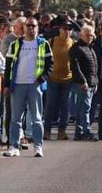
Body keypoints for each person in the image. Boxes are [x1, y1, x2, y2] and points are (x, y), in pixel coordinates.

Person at [4, 16, 52, 157]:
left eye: (34, 26)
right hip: (17, 85)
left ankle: (38, 146)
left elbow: (50, 65)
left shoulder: (43, 44)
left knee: (37, 118)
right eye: (28, 26)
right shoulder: (15, 44)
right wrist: (6, 85)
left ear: (37, 28)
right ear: (23, 28)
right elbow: (8, 67)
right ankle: (14, 146)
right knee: (15, 119)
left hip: (34, 86)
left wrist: (41, 78)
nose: (31, 28)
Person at [46, 18, 75, 140]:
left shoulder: (73, 43)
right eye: (65, 28)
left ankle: (62, 131)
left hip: (67, 80)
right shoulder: (51, 41)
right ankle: (46, 131)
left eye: (69, 29)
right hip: (52, 79)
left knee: (65, 107)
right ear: (60, 29)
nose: (67, 31)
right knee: (50, 106)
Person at [67, 24, 97, 140]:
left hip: (90, 83)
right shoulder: (76, 48)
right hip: (82, 84)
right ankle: (87, 131)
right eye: (87, 35)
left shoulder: (90, 48)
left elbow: (94, 66)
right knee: (85, 108)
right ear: (81, 35)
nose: (90, 37)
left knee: (82, 108)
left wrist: (95, 82)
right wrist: (83, 81)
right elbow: (75, 67)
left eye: (91, 35)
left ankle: (79, 132)